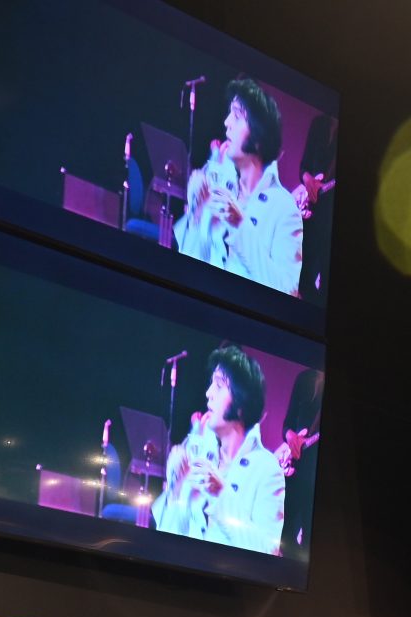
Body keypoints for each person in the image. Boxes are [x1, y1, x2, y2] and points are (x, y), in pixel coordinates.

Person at [174, 76, 304, 295]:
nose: (227, 122)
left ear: (258, 137)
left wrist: (240, 224)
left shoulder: (284, 208)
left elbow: (287, 291)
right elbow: (189, 268)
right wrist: (197, 213)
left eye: (236, 116)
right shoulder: (221, 187)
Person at [154, 343, 287, 554]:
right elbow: (166, 542)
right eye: (210, 385)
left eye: (218, 385)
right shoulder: (199, 455)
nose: (208, 393)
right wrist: (176, 490)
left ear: (241, 402)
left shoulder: (267, 468)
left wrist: (220, 493)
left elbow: (267, 550)